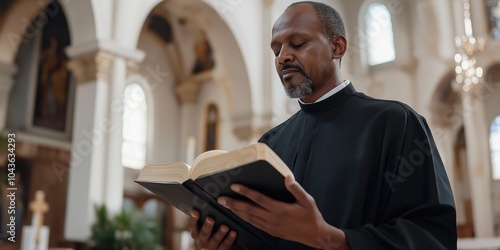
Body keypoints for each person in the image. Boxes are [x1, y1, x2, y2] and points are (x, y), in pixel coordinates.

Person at [187, 1, 457, 249]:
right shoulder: (269, 144)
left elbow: (432, 236)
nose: (282, 57)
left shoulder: (396, 123)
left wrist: (331, 239)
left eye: (297, 43)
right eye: (276, 49)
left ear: (337, 47)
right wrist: (225, 243)